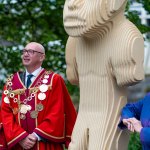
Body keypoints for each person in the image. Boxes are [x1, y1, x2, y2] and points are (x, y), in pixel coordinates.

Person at [1, 42, 77, 150]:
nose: (26, 54)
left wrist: (35, 135)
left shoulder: (53, 80)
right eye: (24, 51)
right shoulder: (11, 82)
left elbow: (57, 112)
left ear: (42, 57)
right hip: (18, 144)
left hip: (44, 144)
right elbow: (5, 113)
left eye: (31, 52)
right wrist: (21, 137)